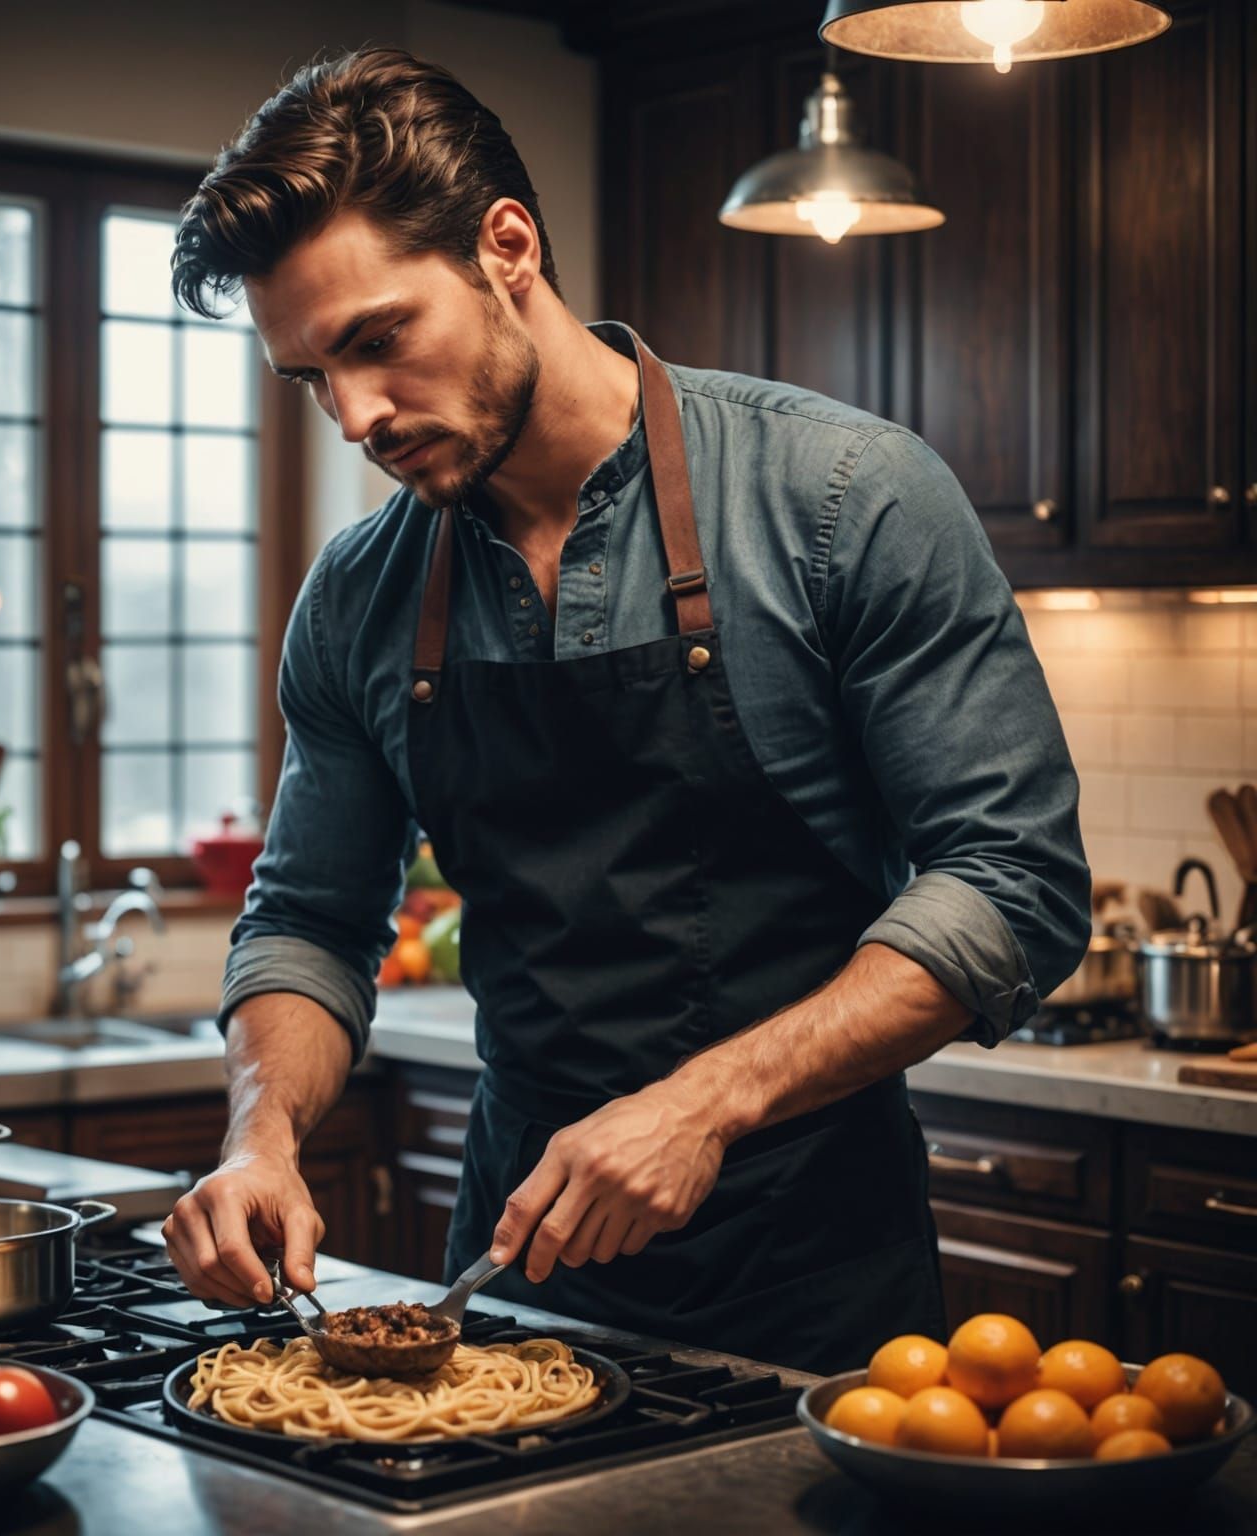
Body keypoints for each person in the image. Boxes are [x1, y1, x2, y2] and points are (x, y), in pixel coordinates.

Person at [161, 45, 1090, 1372]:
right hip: (500, 1290)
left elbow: (1018, 880)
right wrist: (262, 1136)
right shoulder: (360, 599)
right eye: (310, 376)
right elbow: (311, 918)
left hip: (817, 1284)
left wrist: (705, 1104)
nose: (355, 414)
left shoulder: (843, 500)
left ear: (507, 247)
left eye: (377, 342)